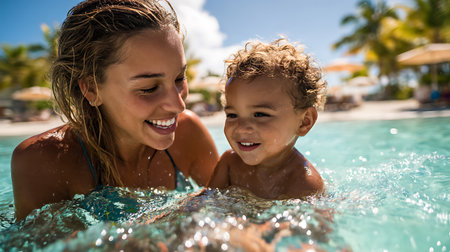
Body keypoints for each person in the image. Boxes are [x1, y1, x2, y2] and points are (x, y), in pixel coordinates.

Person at [11, 0, 219, 221]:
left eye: (179, 78)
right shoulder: (44, 161)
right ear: (91, 88)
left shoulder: (188, 134)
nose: (179, 105)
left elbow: (231, 208)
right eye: (148, 89)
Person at [208, 39, 326, 200]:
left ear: (304, 121)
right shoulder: (229, 163)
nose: (241, 128)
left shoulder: (305, 183)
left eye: (260, 114)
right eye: (232, 115)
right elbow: (204, 202)